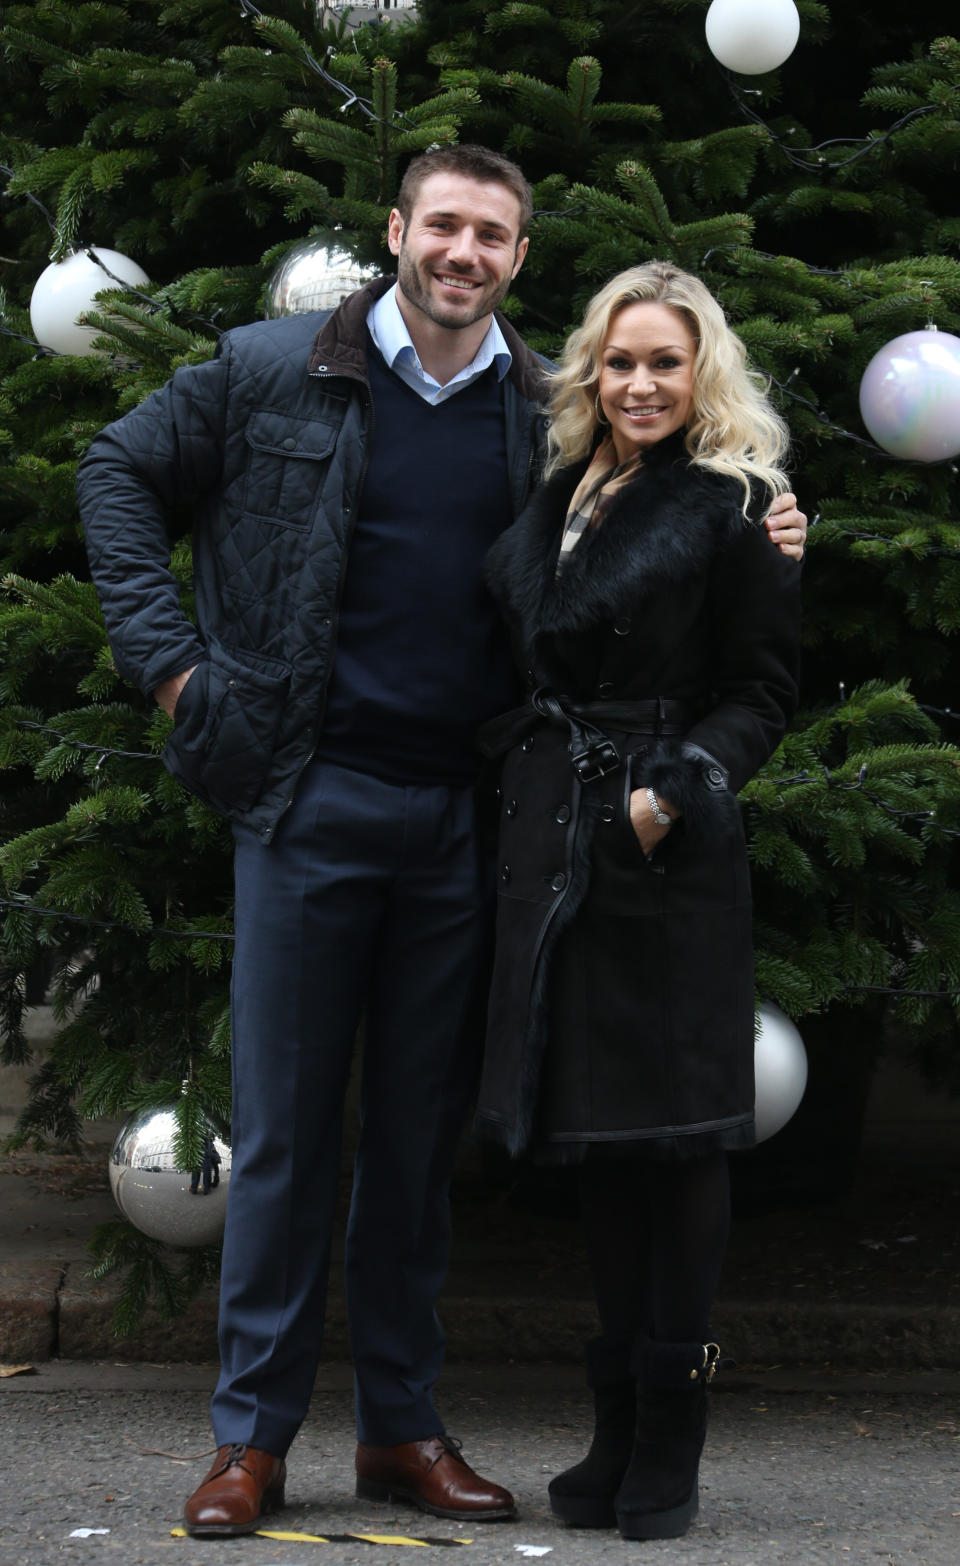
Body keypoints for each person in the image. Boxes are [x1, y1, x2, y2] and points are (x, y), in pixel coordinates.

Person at [76, 147, 806, 1539]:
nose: (466, 250)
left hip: (467, 823)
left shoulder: (542, 411)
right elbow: (115, 470)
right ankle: (253, 1439)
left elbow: (665, 511)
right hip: (306, 798)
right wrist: (176, 671)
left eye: (496, 233)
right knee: (288, 1137)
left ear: (520, 258)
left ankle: (402, 1428)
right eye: (446, 225)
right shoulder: (271, 365)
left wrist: (772, 515)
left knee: (416, 1146)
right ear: (398, 232)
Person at [474, 261, 803, 1541]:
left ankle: (674, 1429)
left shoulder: (738, 504)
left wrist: (671, 792)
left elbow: (763, 693)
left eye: (665, 362)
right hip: (559, 839)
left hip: (666, 847)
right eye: (620, 361)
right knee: (601, 1143)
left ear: (701, 369)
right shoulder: (564, 492)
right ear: (591, 373)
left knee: (678, 1141)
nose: (641, 383)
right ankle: (614, 1422)